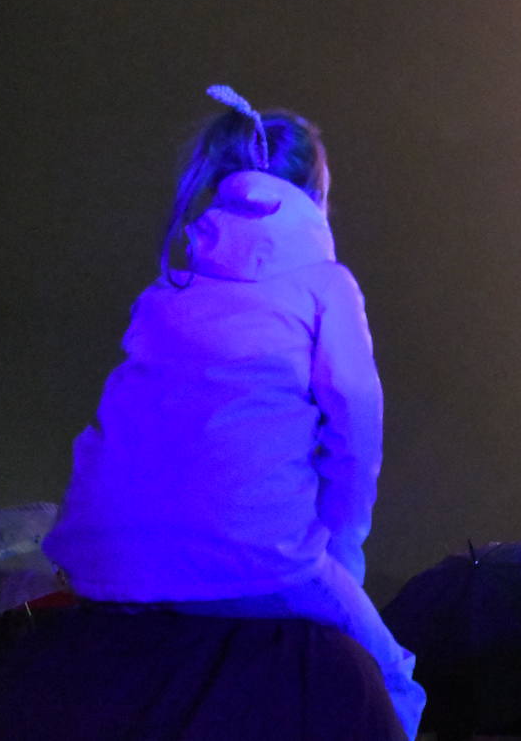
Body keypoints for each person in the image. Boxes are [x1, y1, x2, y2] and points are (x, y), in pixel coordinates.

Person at [43, 86, 425, 739]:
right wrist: (339, 552)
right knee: (391, 678)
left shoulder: (170, 286)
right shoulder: (325, 284)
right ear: (315, 186)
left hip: (104, 554)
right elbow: (356, 437)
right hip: (253, 559)